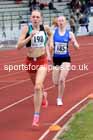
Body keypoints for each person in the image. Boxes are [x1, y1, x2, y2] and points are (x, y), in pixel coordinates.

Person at [17, 10, 53, 127]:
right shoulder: (26, 29)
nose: (35, 19)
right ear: (31, 18)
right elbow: (18, 46)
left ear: (41, 18)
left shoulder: (45, 28)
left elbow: (51, 34)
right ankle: (43, 95)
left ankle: (36, 117)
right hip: (30, 61)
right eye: (33, 17)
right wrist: (29, 37)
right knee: (37, 87)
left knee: (37, 87)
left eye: (37, 17)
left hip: (42, 60)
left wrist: (50, 45)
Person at [52, 16, 79, 106]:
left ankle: (59, 98)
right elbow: (49, 45)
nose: (61, 22)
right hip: (56, 59)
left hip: (66, 59)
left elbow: (77, 46)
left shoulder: (70, 34)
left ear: (65, 22)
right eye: (59, 21)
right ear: (57, 22)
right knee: (55, 82)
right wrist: (49, 54)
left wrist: (74, 44)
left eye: (62, 21)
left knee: (62, 80)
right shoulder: (53, 33)